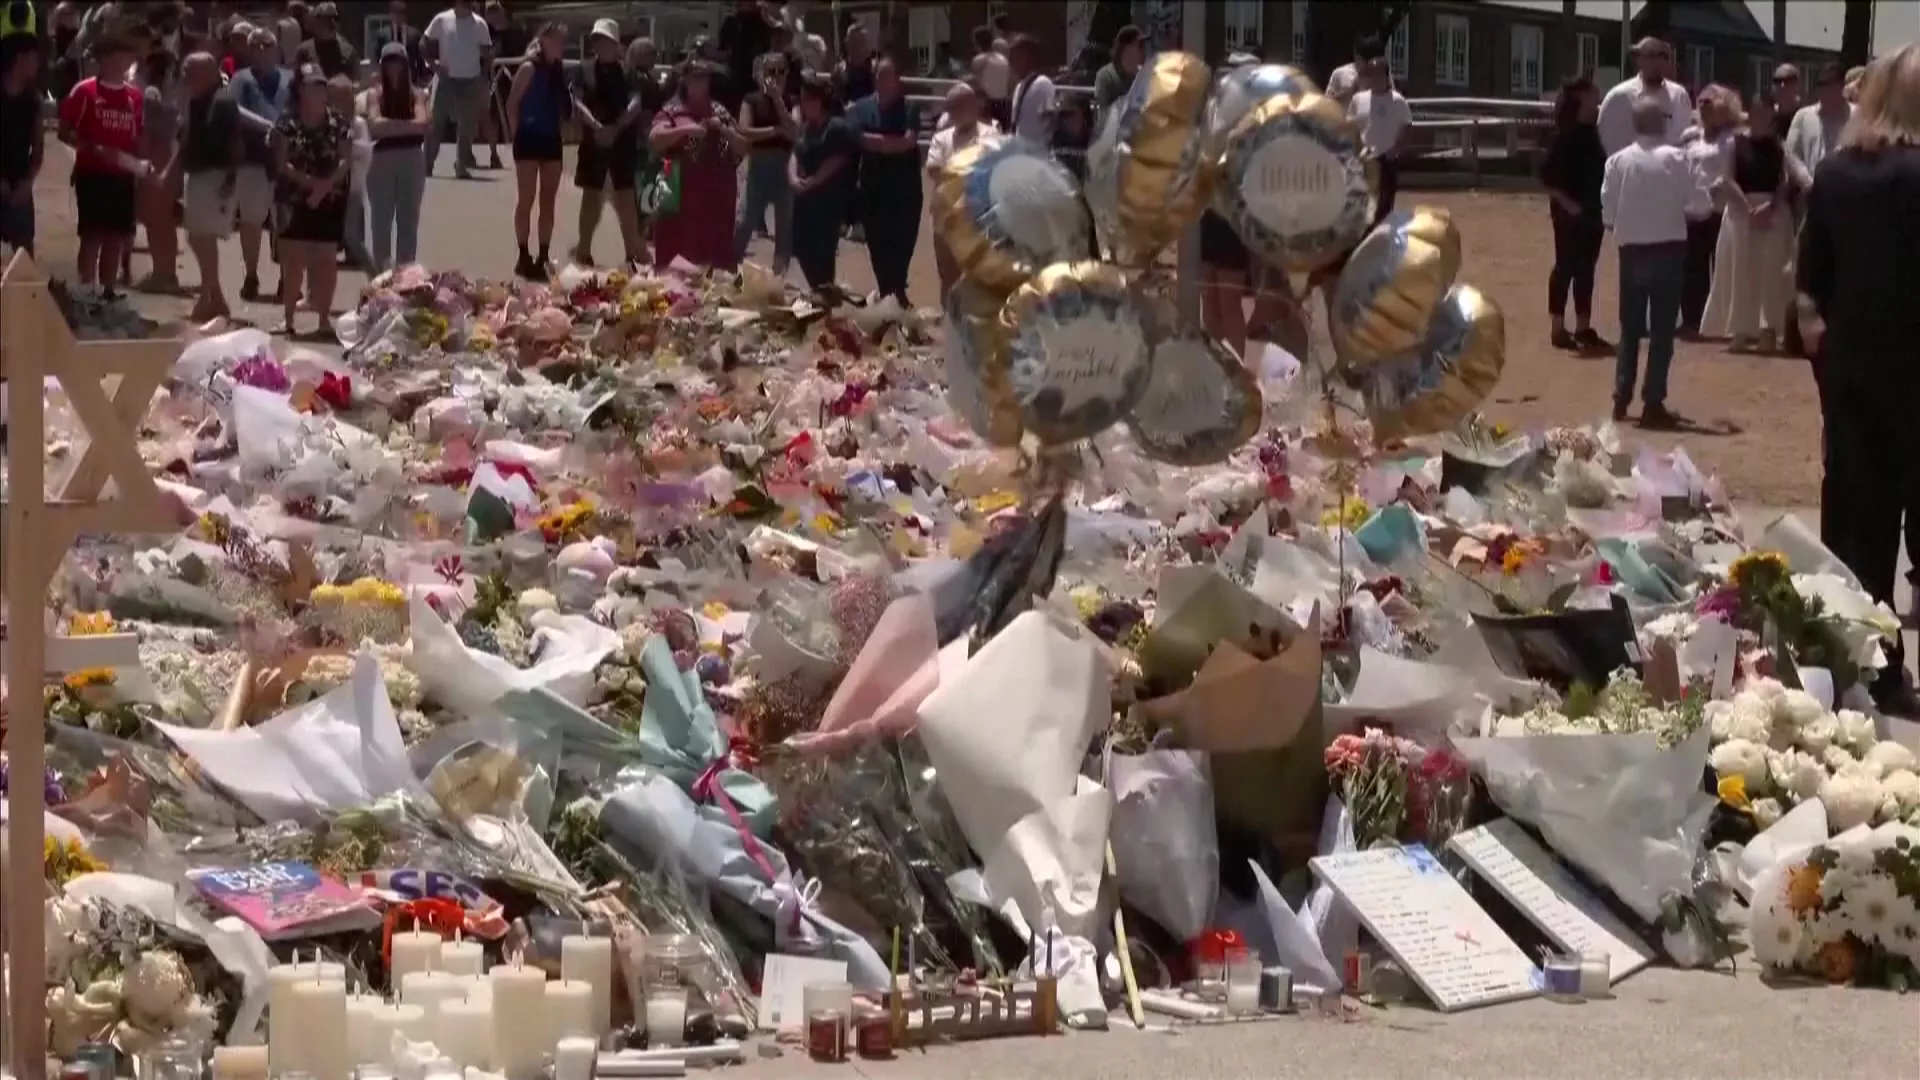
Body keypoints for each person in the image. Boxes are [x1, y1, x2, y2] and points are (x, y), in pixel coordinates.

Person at [1795, 45, 1920, 715]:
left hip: (1856, 374)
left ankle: (1869, 671)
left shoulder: (1835, 175)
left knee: (1858, 535)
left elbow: (1810, 289)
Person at [1600, 94, 1707, 427]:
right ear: (1661, 122)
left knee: (1630, 328)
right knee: (1662, 330)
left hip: (1631, 250)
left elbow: (1608, 211)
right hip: (1669, 249)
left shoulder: (1617, 161)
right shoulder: (1678, 159)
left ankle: (1621, 396)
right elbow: (1700, 204)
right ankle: (1653, 400)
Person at [1702, 96, 1792, 353]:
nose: (1760, 118)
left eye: (1765, 113)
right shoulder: (1736, 144)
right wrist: (1747, 208)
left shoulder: (1779, 146)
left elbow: (1784, 182)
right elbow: (1728, 179)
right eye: (1756, 113)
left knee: (1770, 273)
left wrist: (1770, 206)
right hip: (1740, 214)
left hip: (1773, 215)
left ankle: (1768, 330)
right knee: (1740, 272)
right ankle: (1740, 330)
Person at [59, 36, 146, 293]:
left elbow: (137, 138)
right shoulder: (84, 91)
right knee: (91, 236)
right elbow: (65, 131)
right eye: (121, 54)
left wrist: (138, 167)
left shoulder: (134, 97)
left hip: (122, 175)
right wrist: (92, 148)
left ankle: (108, 292)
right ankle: (86, 292)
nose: (127, 60)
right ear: (106, 58)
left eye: (128, 55)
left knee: (115, 237)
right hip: (92, 174)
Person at [270, 64, 351, 338]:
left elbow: (346, 159)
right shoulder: (286, 122)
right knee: (292, 263)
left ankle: (324, 320)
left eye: (320, 85)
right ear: (300, 90)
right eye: (311, 85)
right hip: (292, 200)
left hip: (329, 200)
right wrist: (312, 185)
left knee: (326, 260)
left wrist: (324, 187)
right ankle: (288, 320)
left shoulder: (338, 122)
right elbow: (282, 163)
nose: (317, 90)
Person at [648, 59, 747, 271]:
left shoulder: (719, 111)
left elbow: (742, 146)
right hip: (678, 189)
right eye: (696, 79)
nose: (701, 83)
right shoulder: (673, 110)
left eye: (705, 78)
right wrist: (685, 130)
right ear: (685, 81)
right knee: (673, 253)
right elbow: (655, 138)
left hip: (716, 196)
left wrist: (725, 130)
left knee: (715, 258)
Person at [173, 51, 243, 320]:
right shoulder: (195, 101)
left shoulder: (224, 101)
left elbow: (236, 141)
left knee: (202, 236)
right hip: (198, 175)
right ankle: (215, 297)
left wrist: (231, 177)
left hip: (216, 176)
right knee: (197, 236)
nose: (185, 76)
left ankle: (208, 297)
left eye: (189, 71)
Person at [572, 19, 646, 269]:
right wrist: (596, 126)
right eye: (597, 40)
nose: (600, 44)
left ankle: (631, 254)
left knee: (626, 198)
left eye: (605, 40)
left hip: (622, 141)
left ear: (616, 44)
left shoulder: (628, 72)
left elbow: (636, 103)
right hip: (593, 142)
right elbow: (577, 101)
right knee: (590, 197)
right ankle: (583, 251)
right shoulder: (584, 69)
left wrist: (616, 128)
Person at [1540, 75, 1607, 352]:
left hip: (1592, 209)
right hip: (1569, 211)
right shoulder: (1564, 133)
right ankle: (1557, 326)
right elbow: (1547, 177)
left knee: (1586, 267)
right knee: (1565, 265)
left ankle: (1583, 325)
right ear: (1581, 97)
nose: (1598, 97)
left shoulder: (1593, 131)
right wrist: (1568, 204)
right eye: (1593, 93)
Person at [849, 55, 921, 306]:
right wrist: (889, 143)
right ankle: (887, 295)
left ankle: (897, 295)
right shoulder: (861, 108)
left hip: (905, 190)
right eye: (880, 75)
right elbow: (856, 138)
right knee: (877, 247)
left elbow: (908, 141)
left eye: (888, 76)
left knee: (902, 245)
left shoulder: (909, 107)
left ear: (897, 80)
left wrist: (876, 142)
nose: (884, 81)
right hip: (873, 189)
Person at [503, 22, 568, 278]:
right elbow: (512, 104)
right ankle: (523, 253)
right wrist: (516, 134)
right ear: (543, 40)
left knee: (548, 200)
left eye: (562, 40)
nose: (560, 44)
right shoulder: (529, 67)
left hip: (551, 138)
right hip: (528, 137)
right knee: (526, 198)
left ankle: (543, 254)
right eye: (556, 39)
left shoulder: (558, 70)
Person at [230, 27, 289, 303]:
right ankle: (251, 276)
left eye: (267, 44)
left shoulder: (290, 78)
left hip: (287, 161)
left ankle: (287, 279)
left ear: (277, 49)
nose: (262, 49)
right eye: (255, 45)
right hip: (252, 159)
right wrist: (267, 125)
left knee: (284, 223)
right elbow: (234, 110)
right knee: (251, 221)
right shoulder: (241, 79)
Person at [925, 81, 1001, 294]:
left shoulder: (991, 135)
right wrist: (967, 171)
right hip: (946, 220)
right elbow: (934, 169)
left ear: (973, 106)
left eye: (958, 107)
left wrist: (955, 172)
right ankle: (949, 312)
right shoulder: (941, 138)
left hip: (977, 219)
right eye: (951, 108)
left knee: (977, 276)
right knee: (948, 276)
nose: (952, 113)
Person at [359, 42, 429, 272]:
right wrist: (407, 126)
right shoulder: (374, 94)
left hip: (412, 158)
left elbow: (422, 124)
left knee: (409, 222)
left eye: (398, 61)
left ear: (405, 65)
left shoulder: (417, 94)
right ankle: (382, 275)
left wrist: (390, 127)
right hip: (381, 160)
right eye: (388, 62)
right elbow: (375, 126)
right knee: (381, 221)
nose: (393, 67)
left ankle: (406, 275)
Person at [1679, 85, 1738, 339]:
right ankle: (1692, 320)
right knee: (1692, 268)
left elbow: (1733, 170)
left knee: (1722, 268)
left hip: (1720, 211)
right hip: (1691, 210)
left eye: (1710, 102)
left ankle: (1723, 322)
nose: (1704, 106)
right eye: (1701, 102)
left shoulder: (1732, 139)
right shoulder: (1689, 136)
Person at [734, 50, 798, 274]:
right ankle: (731, 268)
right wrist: (776, 130)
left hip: (784, 166)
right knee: (745, 221)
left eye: (781, 71)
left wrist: (778, 100)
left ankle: (779, 275)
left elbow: (795, 132)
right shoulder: (751, 100)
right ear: (762, 73)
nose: (776, 76)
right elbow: (744, 130)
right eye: (771, 71)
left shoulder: (791, 101)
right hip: (758, 164)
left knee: (784, 226)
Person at [790, 74, 853, 291]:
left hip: (826, 203)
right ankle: (818, 293)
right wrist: (793, 178)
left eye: (809, 99)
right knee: (801, 250)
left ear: (820, 101)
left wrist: (815, 180)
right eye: (803, 100)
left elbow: (838, 158)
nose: (805, 104)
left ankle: (824, 299)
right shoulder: (805, 128)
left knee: (823, 258)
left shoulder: (835, 126)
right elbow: (795, 153)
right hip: (803, 202)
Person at [423, 0, 492, 180]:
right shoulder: (441, 19)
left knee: (466, 126)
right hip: (446, 80)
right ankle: (427, 165)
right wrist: (434, 66)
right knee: (436, 123)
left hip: (471, 80)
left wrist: (483, 77)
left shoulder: (480, 24)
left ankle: (461, 165)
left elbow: (487, 53)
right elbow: (424, 43)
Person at [133, 48, 182, 293]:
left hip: (155, 155)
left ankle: (163, 273)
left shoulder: (150, 94)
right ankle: (166, 271)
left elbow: (146, 133)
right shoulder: (174, 93)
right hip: (170, 154)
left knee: (156, 220)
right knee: (165, 220)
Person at [1597, 37, 1692, 154]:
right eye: (1652, 55)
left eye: (1664, 56)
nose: (1658, 62)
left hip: (1671, 164)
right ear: (1639, 60)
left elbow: (1685, 137)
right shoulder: (1619, 96)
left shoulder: (1679, 95)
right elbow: (1608, 137)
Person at [1348, 53, 1410, 223]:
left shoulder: (1398, 101)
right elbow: (1351, 126)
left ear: (1386, 76)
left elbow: (1407, 128)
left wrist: (1395, 150)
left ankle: (1383, 234)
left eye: (1378, 74)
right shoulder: (1358, 99)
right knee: (1361, 205)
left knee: (1384, 207)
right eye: (1371, 74)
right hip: (1363, 160)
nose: (1374, 79)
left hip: (1386, 160)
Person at [0, 33, 43, 258]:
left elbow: (38, 147)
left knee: (24, 255)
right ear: (19, 59)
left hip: (19, 182)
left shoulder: (32, 100)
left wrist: (27, 182)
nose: (37, 64)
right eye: (34, 57)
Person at [329, 74, 372, 271]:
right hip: (332, 187)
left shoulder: (358, 123)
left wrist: (346, 146)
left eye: (341, 99)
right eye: (332, 99)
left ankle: (372, 268)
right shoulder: (327, 123)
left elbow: (365, 148)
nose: (335, 105)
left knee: (352, 234)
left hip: (353, 186)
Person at [717, 0, 771, 116]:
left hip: (758, 77)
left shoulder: (764, 21)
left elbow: (771, 48)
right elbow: (723, 50)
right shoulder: (732, 21)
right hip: (736, 78)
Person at [1007, 35, 1054, 145]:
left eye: (1014, 56)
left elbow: (1050, 124)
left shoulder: (1043, 84)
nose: (1010, 61)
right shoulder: (1019, 87)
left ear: (1027, 57)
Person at [293, 3, 357, 82]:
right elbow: (296, 81)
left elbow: (356, 81)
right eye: (323, 19)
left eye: (334, 19)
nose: (330, 23)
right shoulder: (304, 51)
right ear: (315, 21)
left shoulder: (348, 51)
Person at [376, 0, 431, 85]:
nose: (398, 17)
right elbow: (377, 58)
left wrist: (422, 77)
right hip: (389, 79)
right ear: (390, 15)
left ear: (405, 16)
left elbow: (419, 59)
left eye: (400, 13)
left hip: (410, 79)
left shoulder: (414, 35)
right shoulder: (382, 35)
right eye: (395, 13)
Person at [1093, 25, 1144, 115]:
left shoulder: (1141, 75)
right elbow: (1103, 113)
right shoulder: (1106, 76)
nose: (1143, 50)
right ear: (1127, 48)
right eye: (1140, 45)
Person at [1327, 35, 1385, 105]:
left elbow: (1391, 102)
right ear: (1357, 55)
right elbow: (1326, 104)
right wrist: (1352, 89)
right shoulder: (1340, 73)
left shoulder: (1383, 75)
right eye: (1366, 61)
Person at [971, 25, 1010, 130]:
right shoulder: (1003, 59)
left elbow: (975, 84)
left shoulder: (979, 60)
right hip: (1004, 104)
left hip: (987, 105)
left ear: (977, 42)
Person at [1769, 64, 1802, 138]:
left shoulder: (1806, 116)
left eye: (1788, 80)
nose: (1782, 85)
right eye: (1777, 81)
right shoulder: (1767, 118)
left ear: (1797, 85)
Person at [276, 1, 305, 68]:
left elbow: (277, 46)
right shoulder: (297, 24)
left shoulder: (281, 24)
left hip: (285, 63)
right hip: (295, 62)